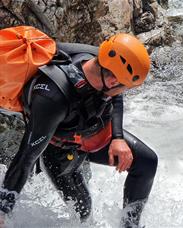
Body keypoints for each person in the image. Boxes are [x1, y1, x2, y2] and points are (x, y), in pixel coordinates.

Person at [0, 33, 158, 228]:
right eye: (125, 88)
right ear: (112, 82)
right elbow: (25, 158)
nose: (123, 92)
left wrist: (117, 137)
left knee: (147, 162)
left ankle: (130, 226)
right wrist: (3, 210)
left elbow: (114, 97)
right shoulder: (53, 100)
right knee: (85, 211)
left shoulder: (98, 59)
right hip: (59, 154)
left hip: (92, 134)